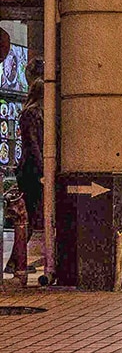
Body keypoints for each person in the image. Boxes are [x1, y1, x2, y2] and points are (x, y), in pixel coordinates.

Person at [5, 62, 44, 286]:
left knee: (31, 217)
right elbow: (33, 145)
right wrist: (42, 170)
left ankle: (16, 260)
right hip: (31, 171)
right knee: (28, 216)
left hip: (32, 169)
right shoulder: (32, 114)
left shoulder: (34, 113)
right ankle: (15, 262)